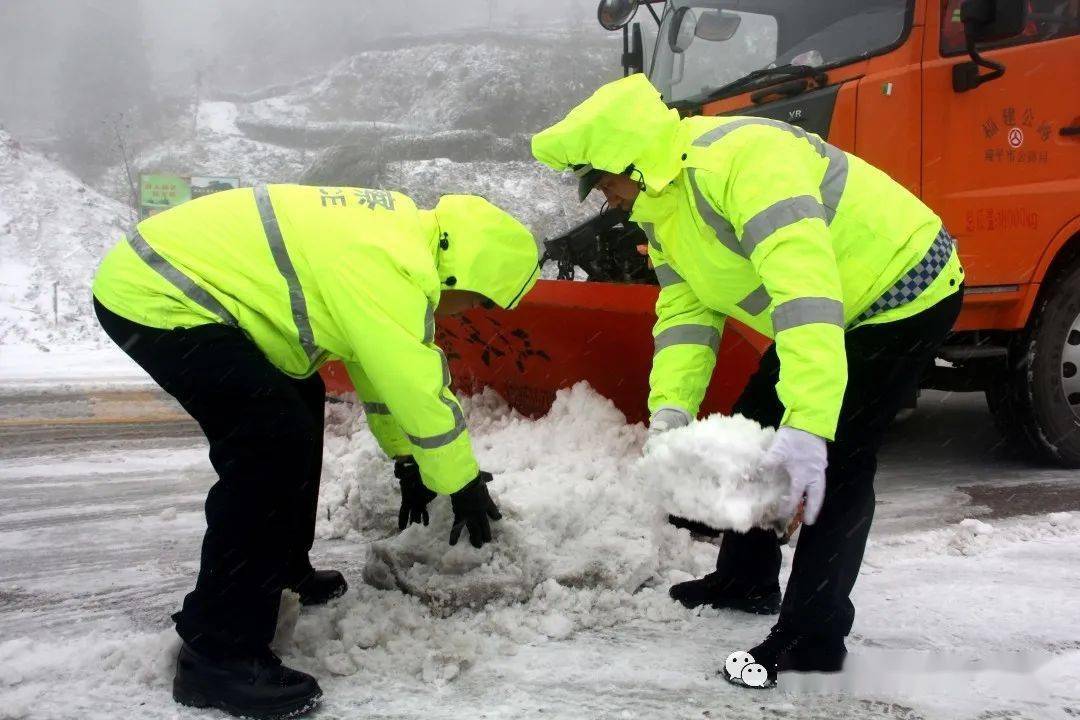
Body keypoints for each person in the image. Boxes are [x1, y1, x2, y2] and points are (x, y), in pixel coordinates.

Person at [532, 74, 963, 689]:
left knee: (835, 461)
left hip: (900, 292)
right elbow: (686, 312)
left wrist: (811, 425)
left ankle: (813, 637)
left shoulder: (747, 163)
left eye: (602, 181)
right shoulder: (663, 207)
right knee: (757, 424)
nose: (605, 198)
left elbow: (807, 295)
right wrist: (671, 414)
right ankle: (747, 580)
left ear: (632, 159)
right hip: (827, 310)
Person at [92, 184, 539, 718]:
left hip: (186, 289)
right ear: (463, 272)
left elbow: (376, 368)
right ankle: (219, 652)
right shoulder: (386, 262)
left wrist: (408, 459)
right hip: (159, 293)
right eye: (479, 301)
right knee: (269, 440)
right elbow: (414, 381)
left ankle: (280, 568)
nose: (467, 315)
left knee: (297, 403)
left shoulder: (396, 242)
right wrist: (460, 481)